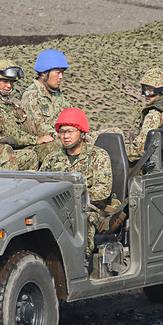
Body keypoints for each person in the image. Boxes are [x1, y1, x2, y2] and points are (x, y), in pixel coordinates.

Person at [40, 108, 115, 256]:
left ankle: (81, 263)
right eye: (62, 132)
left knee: (80, 222)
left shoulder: (98, 156)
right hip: (57, 207)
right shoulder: (52, 158)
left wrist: (71, 197)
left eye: (70, 131)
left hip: (90, 209)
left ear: (82, 133)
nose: (65, 136)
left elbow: (103, 191)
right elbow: (40, 184)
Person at [0, 59, 55, 168]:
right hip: (2, 153)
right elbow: (10, 134)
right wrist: (37, 140)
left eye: (12, 82)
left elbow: (30, 127)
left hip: (19, 147)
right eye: (5, 81)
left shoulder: (9, 103)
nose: (9, 85)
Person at [20, 49, 73, 139]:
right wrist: (61, 136)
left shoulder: (57, 94)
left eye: (62, 72)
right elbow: (39, 129)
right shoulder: (31, 95)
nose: (61, 77)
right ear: (44, 73)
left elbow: (71, 115)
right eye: (58, 73)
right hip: (44, 142)